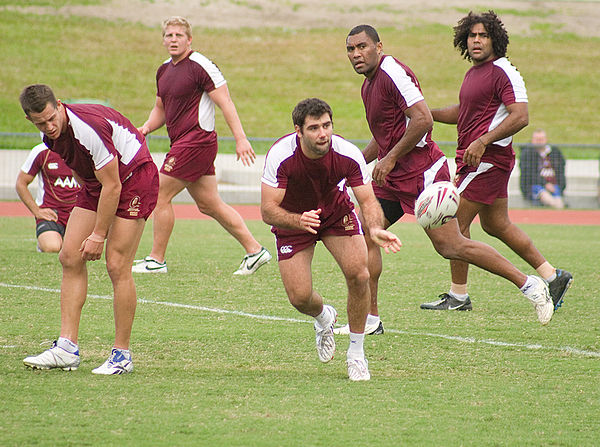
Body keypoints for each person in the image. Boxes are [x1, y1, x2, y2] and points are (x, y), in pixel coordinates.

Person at [344, 24, 556, 328]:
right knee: (366, 231)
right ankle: (370, 319)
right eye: (351, 49)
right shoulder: (369, 85)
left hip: (422, 174)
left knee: (451, 246)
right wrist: (353, 165)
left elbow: (423, 119)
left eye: (362, 46)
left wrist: (389, 159)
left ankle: (530, 285)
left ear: (379, 47)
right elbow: (385, 135)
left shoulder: (391, 72)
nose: (356, 54)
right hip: (395, 178)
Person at [421, 11, 572, 312]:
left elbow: (521, 116)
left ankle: (459, 296)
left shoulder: (503, 71)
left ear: (495, 39)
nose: (476, 40)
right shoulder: (474, 73)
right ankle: (553, 276)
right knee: (496, 224)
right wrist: (425, 113)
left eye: (483, 35)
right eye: (472, 35)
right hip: (477, 159)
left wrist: (482, 141)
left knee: (452, 222)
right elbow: (462, 112)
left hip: (486, 160)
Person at [20, 84, 159, 374]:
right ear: (30, 120)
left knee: (117, 264)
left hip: (134, 177)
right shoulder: (48, 135)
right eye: (40, 123)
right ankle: (66, 349)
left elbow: (114, 185)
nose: (49, 126)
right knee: (69, 256)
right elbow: (79, 167)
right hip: (98, 183)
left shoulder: (87, 129)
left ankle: (122, 356)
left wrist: (98, 234)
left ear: (59, 105)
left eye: (51, 118)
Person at [261, 98, 402, 381]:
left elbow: (368, 200)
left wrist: (374, 228)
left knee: (359, 274)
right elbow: (267, 210)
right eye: (314, 128)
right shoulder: (280, 155)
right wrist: (297, 220)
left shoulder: (347, 153)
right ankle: (324, 316)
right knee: (300, 297)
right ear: (298, 131)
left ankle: (356, 355)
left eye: (327, 126)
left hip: (336, 215)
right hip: (294, 219)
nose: (323, 134)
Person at [132, 16, 271, 275]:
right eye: (169, 35)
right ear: (163, 40)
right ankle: (255, 251)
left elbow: (226, 102)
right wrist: (146, 128)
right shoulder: (163, 70)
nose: (173, 39)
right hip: (184, 144)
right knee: (209, 204)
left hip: (196, 142)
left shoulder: (201, 65)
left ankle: (156, 260)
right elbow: (160, 109)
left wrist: (240, 139)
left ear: (189, 39)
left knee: (159, 193)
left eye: (178, 35)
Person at [16, 142, 80, 252]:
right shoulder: (41, 151)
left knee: (77, 251)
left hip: (79, 213)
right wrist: (37, 211)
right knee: (52, 247)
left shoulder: (84, 149)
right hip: (52, 214)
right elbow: (21, 183)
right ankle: (44, 241)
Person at [520, 129, 566, 209]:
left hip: (554, 185)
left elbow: (561, 171)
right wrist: (545, 184)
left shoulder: (555, 152)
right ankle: (555, 207)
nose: (539, 142)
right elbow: (528, 174)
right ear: (532, 140)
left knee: (558, 197)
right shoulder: (527, 154)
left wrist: (559, 186)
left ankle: (559, 210)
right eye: (537, 139)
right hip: (535, 186)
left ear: (546, 140)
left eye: (541, 139)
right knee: (544, 194)